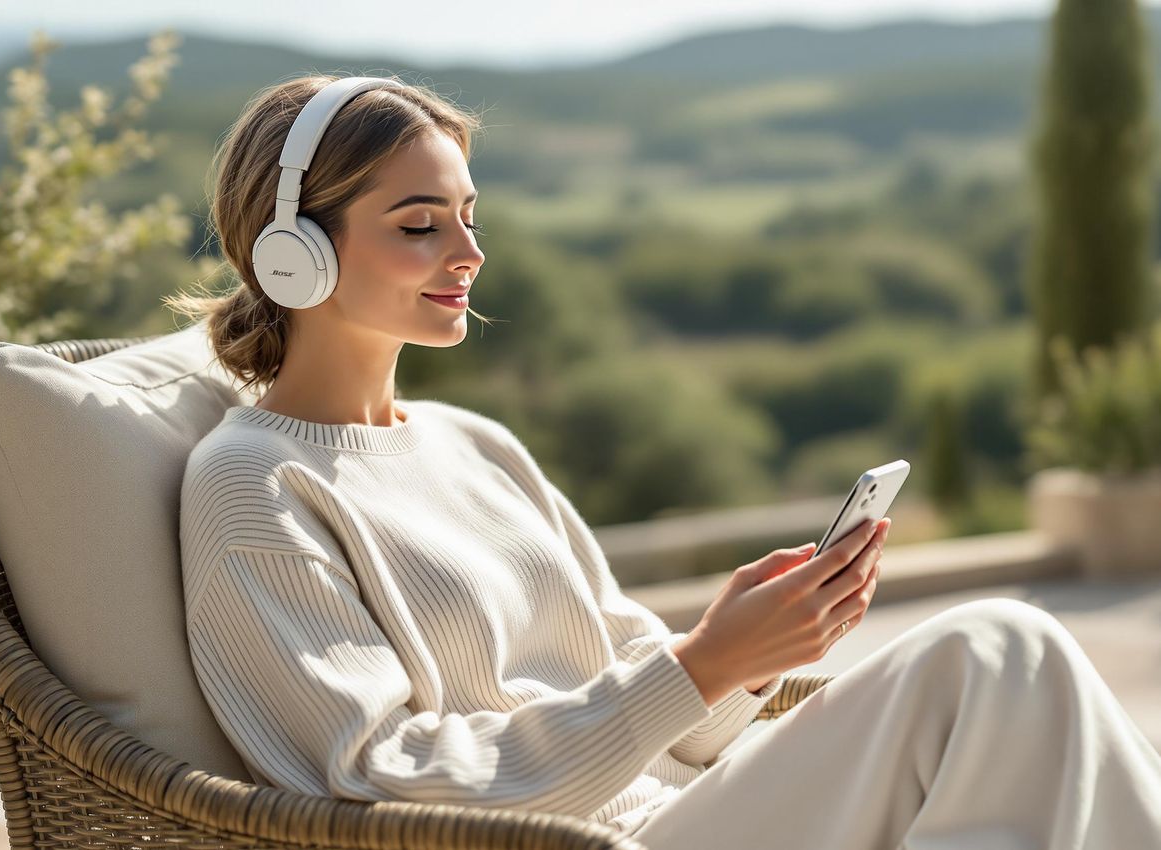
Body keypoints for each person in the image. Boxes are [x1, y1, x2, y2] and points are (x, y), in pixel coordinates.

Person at [167, 74, 1161, 848]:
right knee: (992, 651)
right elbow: (371, 773)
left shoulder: (477, 447)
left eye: (471, 215)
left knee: (1020, 712)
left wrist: (743, 654)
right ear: (292, 249)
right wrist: (703, 661)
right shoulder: (252, 486)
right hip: (586, 841)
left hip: (688, 810)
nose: (467, 250)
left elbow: (666, 717)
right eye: (420, 225)